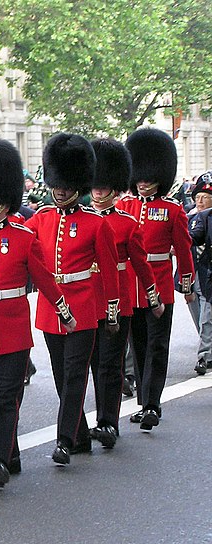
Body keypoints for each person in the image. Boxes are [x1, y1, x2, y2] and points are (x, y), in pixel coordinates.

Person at [0, 138, 76, 486]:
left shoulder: (23, 237)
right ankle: (11, 454)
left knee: (7, 397)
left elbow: (44, 277)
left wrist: (63, 309)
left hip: (12, 327)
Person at [25, 133, 119, 464]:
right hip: (52, 309)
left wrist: (111, 311)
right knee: (62, 376)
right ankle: (79, 435)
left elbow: (109, 271)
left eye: (66, 185)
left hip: (83, 306)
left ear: (77, 185)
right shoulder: (40, 220)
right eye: (57, 184)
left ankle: (64, 439)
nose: (61, 189)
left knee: (76, 373)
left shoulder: (95, 223)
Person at [85, 138, 163, 448]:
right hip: (88, 299)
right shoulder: (84, 220)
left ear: (115, 189)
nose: (98, 191)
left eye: (104, 187)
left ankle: (108, 423)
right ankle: (98, 418)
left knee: (110, 364)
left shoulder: (127, 223)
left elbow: (142, 265)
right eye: (96, 185)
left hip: (118, 299)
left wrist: (153, 297)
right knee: (93, 363)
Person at [119, 128, 194, 429]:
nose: (144, 181)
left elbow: (185, 250)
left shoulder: (173, 210)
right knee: (138, 346)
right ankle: (143, 401)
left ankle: (152, 404)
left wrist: (185, 284)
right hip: (132, 288)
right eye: (139, 175)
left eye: (149, 176)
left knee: (157, 346)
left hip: (160, 285)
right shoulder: (125, 206)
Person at [186, 172, 212, 375]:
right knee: (200, 317)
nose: (201, 201)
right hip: (197, 273)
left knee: (207, 316)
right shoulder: (195, 217)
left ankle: (205, 354)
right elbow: (191, 239)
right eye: (198, 197)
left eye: (206, 197)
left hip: (207, 274)